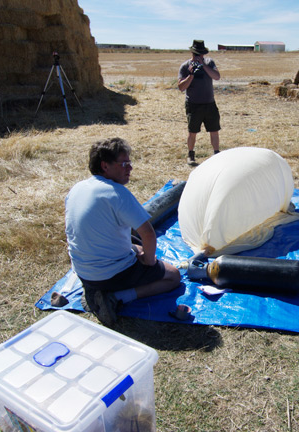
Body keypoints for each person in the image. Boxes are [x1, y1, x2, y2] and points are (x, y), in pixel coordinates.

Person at [65, 138, 181, 327]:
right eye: (124, 164)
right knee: (173, 275)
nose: (130, 168)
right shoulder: (116, 193)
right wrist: (149, 262)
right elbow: (149, 234)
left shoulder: (77, 188)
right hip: (109, 275)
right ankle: (115, 297)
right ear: (105, 166)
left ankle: (94, 291)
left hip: (83, 271)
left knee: (135, 245)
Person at [178, 39, 221, 166]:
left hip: (209, 103)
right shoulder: (185, 66)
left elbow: (217, 76)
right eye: (196, 54)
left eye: (201, 54)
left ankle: (217, 154)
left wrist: (204, 65)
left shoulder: (209, 62)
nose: (198, 56)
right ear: (192, 53)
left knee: (214, 130)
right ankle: (191, 155)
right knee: (192, 132)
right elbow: (181, 87)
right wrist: (190, 75)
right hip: (193, 104)